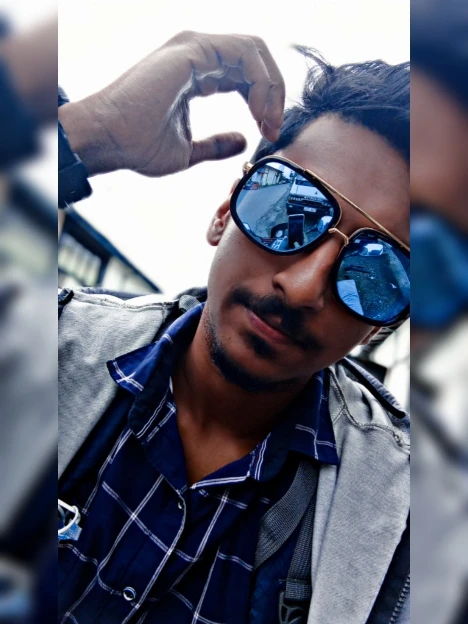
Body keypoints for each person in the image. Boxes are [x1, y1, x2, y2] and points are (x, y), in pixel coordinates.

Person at [58, 32, 410, 623]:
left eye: (376, 274)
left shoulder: (402, 530)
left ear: (383, 326)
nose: (303, 288)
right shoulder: (49, 342)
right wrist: (87, 136)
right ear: (225, 211)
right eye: (290, 210)